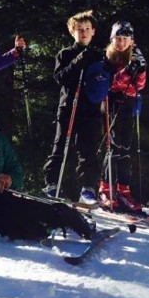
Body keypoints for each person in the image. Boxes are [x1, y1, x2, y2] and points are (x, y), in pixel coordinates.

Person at [0, 86, 93, 240]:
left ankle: (69, 218)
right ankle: (29, 229)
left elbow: (16, 171)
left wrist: (8, 179)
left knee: (21, 207)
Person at [43, 10, 107, 205]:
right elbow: (60, 77)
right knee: (60, 145)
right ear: (72, 32)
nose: (84, 32)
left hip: (90, 109)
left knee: (87, 149)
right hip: (69, 107)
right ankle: (52, 183)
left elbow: (105, 78)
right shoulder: (66, 54)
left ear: (93, 31)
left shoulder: (99, 55)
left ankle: (88, 187)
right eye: (80, 29)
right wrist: (79, 60)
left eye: (87, 29)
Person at [98, 21, 147, 212]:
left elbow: (140, 85)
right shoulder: (108, 57)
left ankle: (123, 189)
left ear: (131, 40)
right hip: (111, 102)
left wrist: (140, 70)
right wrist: (128, 71)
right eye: (118, 39)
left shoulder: (135, 55)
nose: (121, 42)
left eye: (125, 39)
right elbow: (111, 83)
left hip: (129, 102)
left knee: (126, 147)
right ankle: (105, 188)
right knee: (113, 146)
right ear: (112, 39)